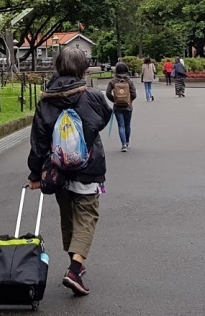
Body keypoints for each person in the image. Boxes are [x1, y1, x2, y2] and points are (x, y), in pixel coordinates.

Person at [27, 48, 110, 297]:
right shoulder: (92, 97)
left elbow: (38, 143)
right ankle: (74, 269)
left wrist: (34, 175)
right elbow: (104, 118)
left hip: (58, 171)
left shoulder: (45, 102)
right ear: (83, 69)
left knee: (68, 217)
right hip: (88, 168)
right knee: (86, 216)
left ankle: (77, 262)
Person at [106, 61, 138, 152]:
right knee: (127, 124)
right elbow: (134, 94)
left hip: (117, 107)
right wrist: (129, 100)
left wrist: (114, 100)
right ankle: (127, 141)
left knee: (121, 125)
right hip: (128, 106)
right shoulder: (129, 81)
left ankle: (123, 144)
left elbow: (108, 93)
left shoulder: (113, 81)